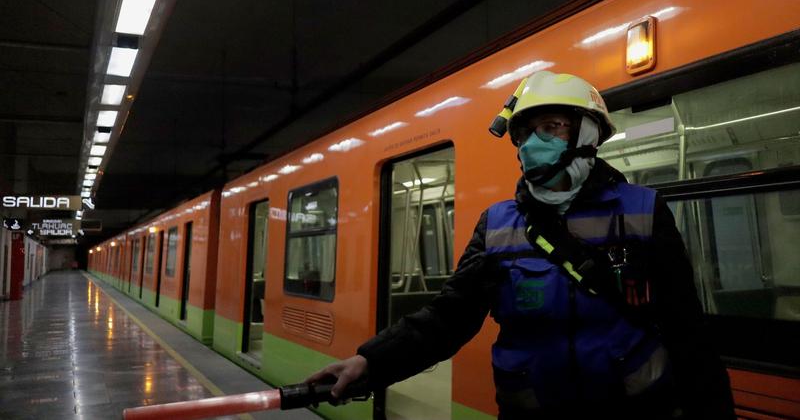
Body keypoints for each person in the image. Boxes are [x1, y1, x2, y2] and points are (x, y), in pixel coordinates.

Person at [307, 71, 735, 419]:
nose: (534, 142)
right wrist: (370, 362)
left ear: (585, 133)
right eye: (526, 133)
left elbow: (687, 329)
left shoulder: (644, 211)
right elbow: (448, 318)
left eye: (551, 126)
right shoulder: (497, 225)